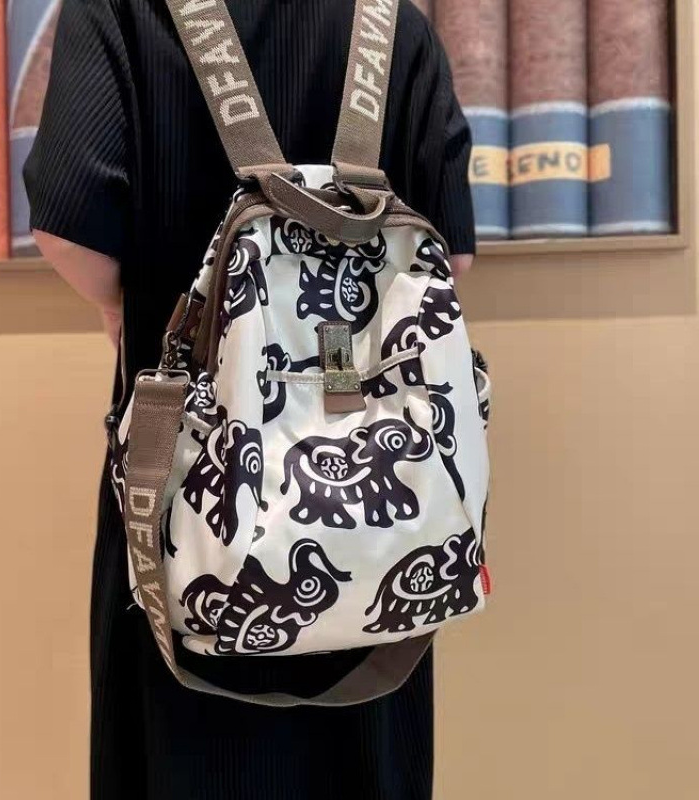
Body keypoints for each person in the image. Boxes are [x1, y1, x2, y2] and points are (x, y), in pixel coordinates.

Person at [25, 1, 476, 798]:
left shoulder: (121, 13)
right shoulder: (393, 23)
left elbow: (69, 228)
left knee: (178, 753)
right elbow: (449, 258)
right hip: (378, 521)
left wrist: (125, 307)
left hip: (187, 492)